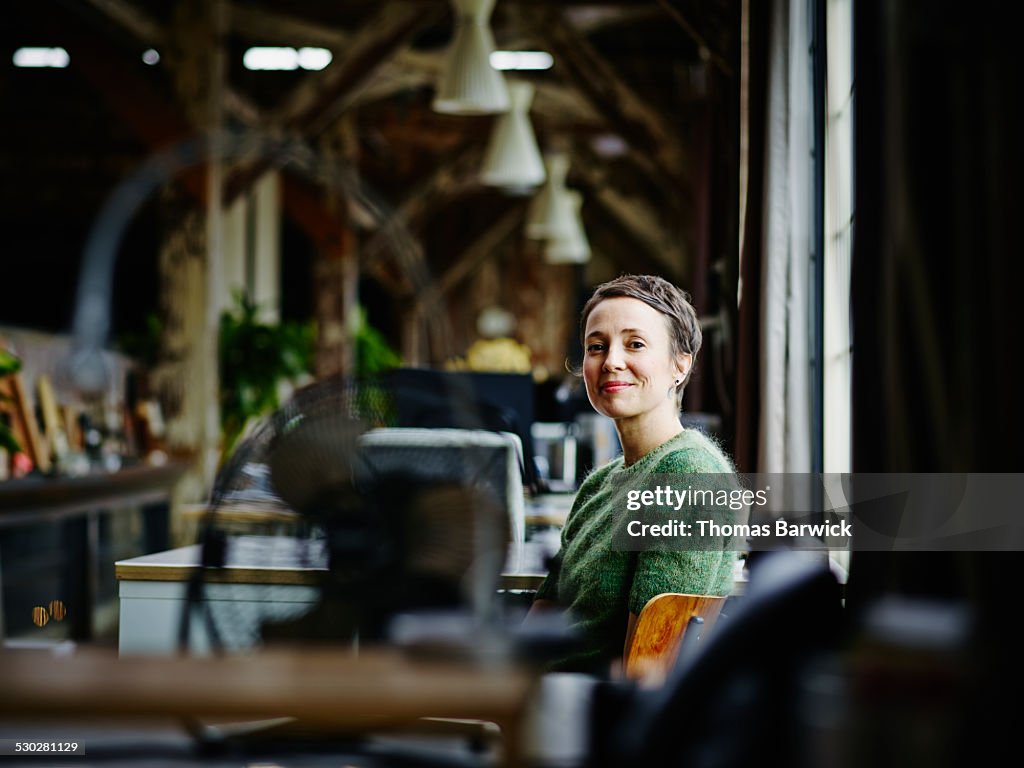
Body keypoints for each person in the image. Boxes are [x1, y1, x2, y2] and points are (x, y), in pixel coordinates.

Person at [529, 274, 739, 674]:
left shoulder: (689, 473)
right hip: (537, 696)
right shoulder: (597, 484)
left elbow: (649, 664)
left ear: (681, 364)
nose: (611, 361)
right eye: (596, 347)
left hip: (592, 713)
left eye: (635, 344)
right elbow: (546, 610)